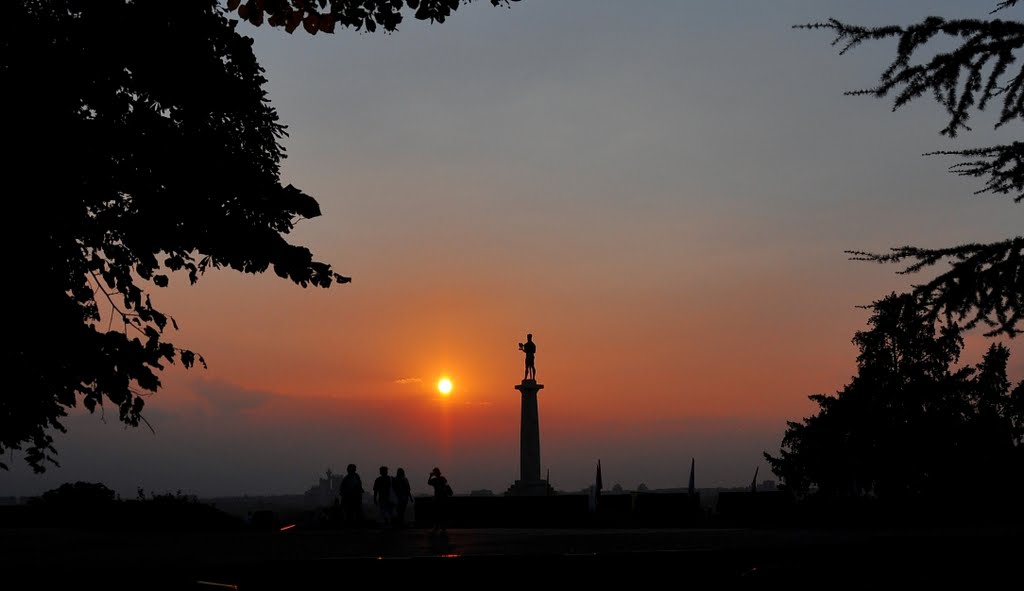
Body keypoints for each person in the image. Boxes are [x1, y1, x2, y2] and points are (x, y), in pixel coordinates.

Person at [427, 466, 450, 533]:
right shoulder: (443, 478)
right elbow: (446, 484)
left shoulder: (434, 480)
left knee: (437, 513)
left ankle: (437, 526)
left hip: (437, 499)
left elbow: (428, 482)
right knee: (442, 513)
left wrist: (430, 476)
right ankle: (443, 527)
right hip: (443, 498)